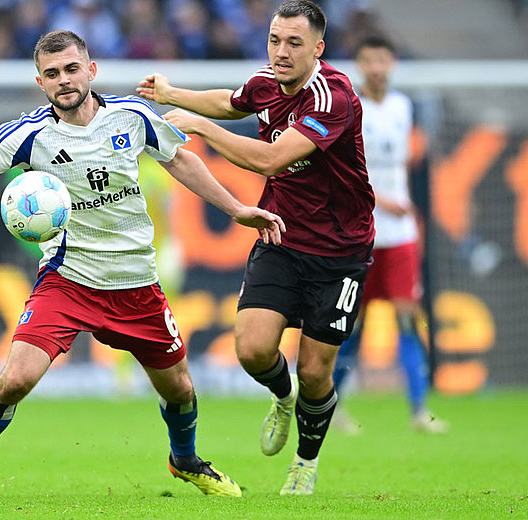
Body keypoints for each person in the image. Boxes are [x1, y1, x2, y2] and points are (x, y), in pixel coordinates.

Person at [0, 30, 286, 503]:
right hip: (68, 281)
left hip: (136, 284)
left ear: (90, 70)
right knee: (16, 379)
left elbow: (182, 162)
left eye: (71, 69)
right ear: (40, 82)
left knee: (181, 390)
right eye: (52, 74)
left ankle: (185, 460)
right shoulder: (25, 135)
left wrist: (236, 210)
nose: (63, 80)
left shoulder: (134, 117)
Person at [137, 0, 374, 495]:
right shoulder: (269, 81)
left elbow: (270, 160)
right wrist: (170, 93)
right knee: (252, 349)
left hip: (340, 252)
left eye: (294, 43)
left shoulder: (333, 98)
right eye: (274, 40)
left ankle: (305, 463)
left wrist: (200, 129)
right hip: (282, 234)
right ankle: (282, 398)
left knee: (315, 370)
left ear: (319, 48)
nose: (281, 52)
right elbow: (233, 101)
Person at [330, 35, 448, 435]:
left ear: (391, 63)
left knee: (406, 320)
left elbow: (400, 166)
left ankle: (419, 411)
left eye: (382, 60)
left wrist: (405, 208)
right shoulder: (350, 107)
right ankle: (333, 406)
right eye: (368, 60)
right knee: (352, 326)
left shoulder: (402, 106)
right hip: (362, 232)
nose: (376, 68)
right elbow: (343, 169)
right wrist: (380, 199)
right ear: (360, 65)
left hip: (398, 235)